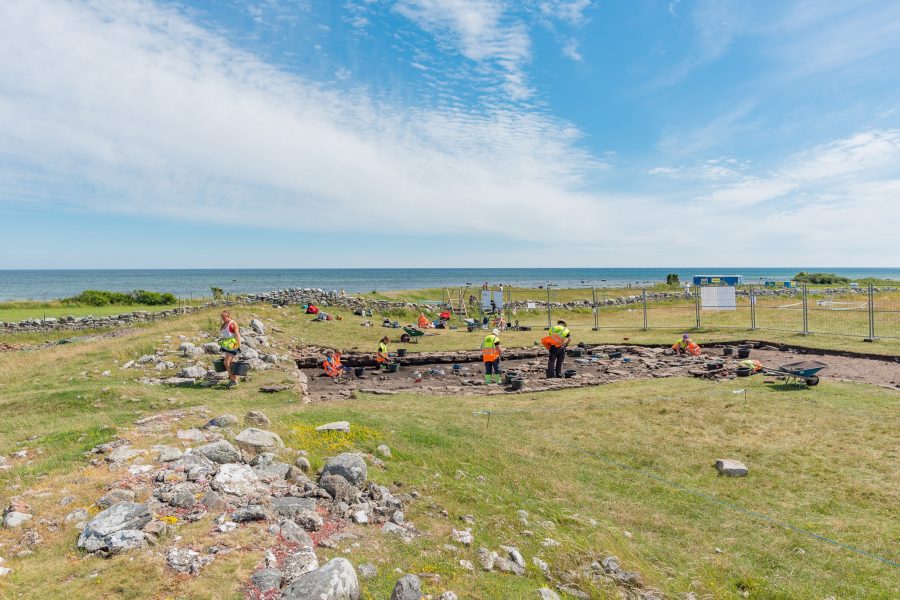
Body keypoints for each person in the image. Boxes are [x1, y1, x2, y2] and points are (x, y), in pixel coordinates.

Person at [218, 310, 241, 387]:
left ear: (228, 316)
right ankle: (234, 378)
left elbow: (237, 335)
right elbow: (225, 335)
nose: (222, 319)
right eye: (222, 317)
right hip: (226, 345)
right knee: (230, 363)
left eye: (224, 317)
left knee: (226, 363)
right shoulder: (224, 323)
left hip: (233, 345)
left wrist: (239, 346)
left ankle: (233, 380)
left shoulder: (233, 324)